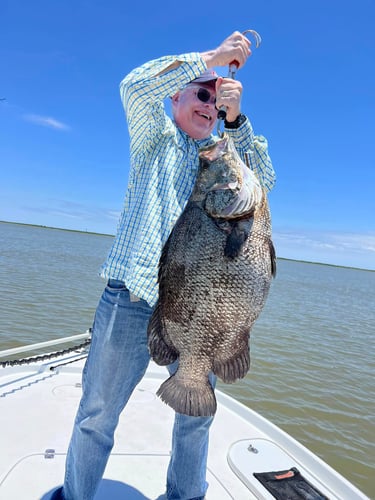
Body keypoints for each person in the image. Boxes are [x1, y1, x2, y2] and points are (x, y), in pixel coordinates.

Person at [51, 31, 276, 500]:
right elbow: (134, 85)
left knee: (196, 422)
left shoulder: (217, 154)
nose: (209, 105)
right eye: (201, 92)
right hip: (130, 300)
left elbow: (264, 179)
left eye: (216, 101)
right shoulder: (153, 138)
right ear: (174, 97)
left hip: (200, 309)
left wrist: (236, 122)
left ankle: (186, 496)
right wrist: (212, 58)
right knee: (97, 415)